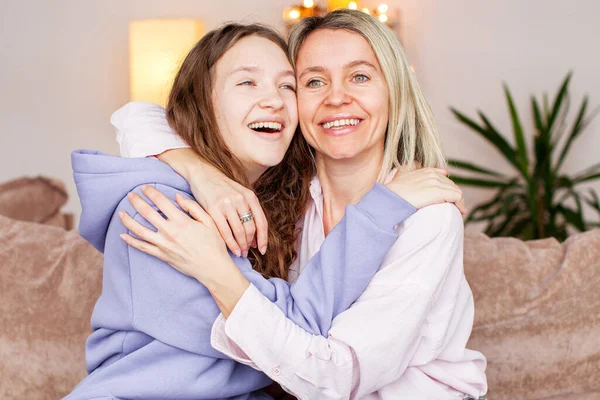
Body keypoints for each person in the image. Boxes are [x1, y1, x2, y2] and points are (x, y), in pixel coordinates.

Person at [65, 21, 466, 400]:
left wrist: (213, 244)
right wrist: (199, 171)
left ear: (396, 89)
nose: (274, 100)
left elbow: (325, 369)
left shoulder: (416, 214)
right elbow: (139, 114)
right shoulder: (163, 210)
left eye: (286, 85)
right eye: (312, 82)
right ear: (202, 103)